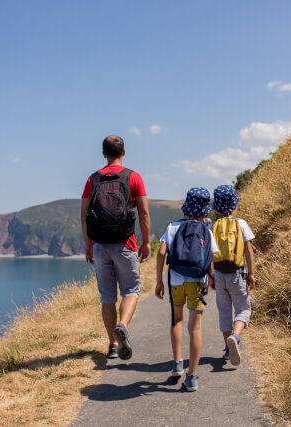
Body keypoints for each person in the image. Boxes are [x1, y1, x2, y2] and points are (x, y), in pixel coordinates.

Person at [81, 135, 151, 360]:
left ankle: (112, 344)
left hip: (100, 245)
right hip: (125, 244)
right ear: (124, 151)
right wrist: (147, 242)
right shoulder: (133, 177)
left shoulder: (93, 179)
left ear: (103, 153)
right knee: (131, 290)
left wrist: (88, 245)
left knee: (107, 297)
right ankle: (122, 325)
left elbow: (84, 214)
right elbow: (144, 212)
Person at [155, 187, 218, 392]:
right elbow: (211, 257)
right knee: (196, 327)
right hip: (198, 282)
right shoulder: (207, 230)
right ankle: (192, 377)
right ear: (205, 212)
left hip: (175, 281)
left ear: (186, 207)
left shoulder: (172, 227)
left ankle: (177, 364)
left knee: (177, 320)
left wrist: (159, 281)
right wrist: (212, 277)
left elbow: (161, 252)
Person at [210, 185, 255, 366]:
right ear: (234, 204)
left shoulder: (212, 226)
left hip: (219, 274)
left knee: (224, 311)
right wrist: (251, 274)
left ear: (216, 207)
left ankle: (228, 350)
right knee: (243, 308)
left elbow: (208, 254)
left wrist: (211, 276)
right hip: (237, 273)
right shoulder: (240, 223)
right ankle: (235, 337)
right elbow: (248, 251)